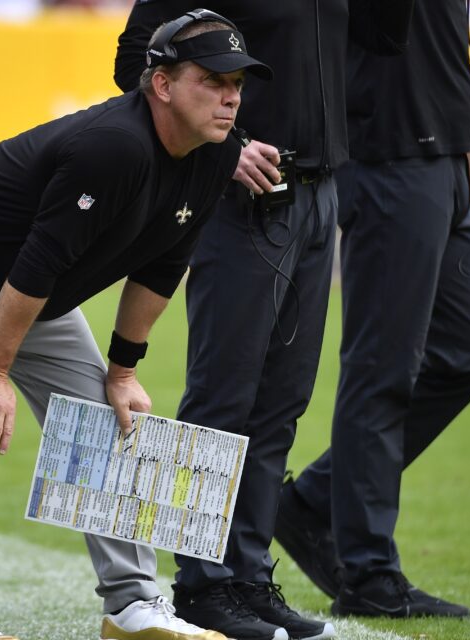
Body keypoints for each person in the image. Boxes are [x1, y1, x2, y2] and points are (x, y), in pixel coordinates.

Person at [0, 13, 270, 640]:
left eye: (237, 81)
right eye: (213, 79)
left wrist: (124, 369)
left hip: (20, 284)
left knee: (105, 418)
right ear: (160, 84)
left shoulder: (217, 153)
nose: (231, 95)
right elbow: (41, 261)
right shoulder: (116, 145)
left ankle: (133, 608)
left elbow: (164, 265)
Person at [115, 2, 413, 640]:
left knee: (282, 400)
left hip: (320, 190)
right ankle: (199, 587)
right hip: (238, 197)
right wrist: (231, 147)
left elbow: (383, 37)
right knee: (223, 395)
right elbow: (134, 61)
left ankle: (247, 579)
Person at [274, 0, 470, 619]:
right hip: (390, 153)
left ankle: (314, 500)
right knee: (382, 368)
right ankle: (369, 572)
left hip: (445, 154)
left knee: (467, 357)